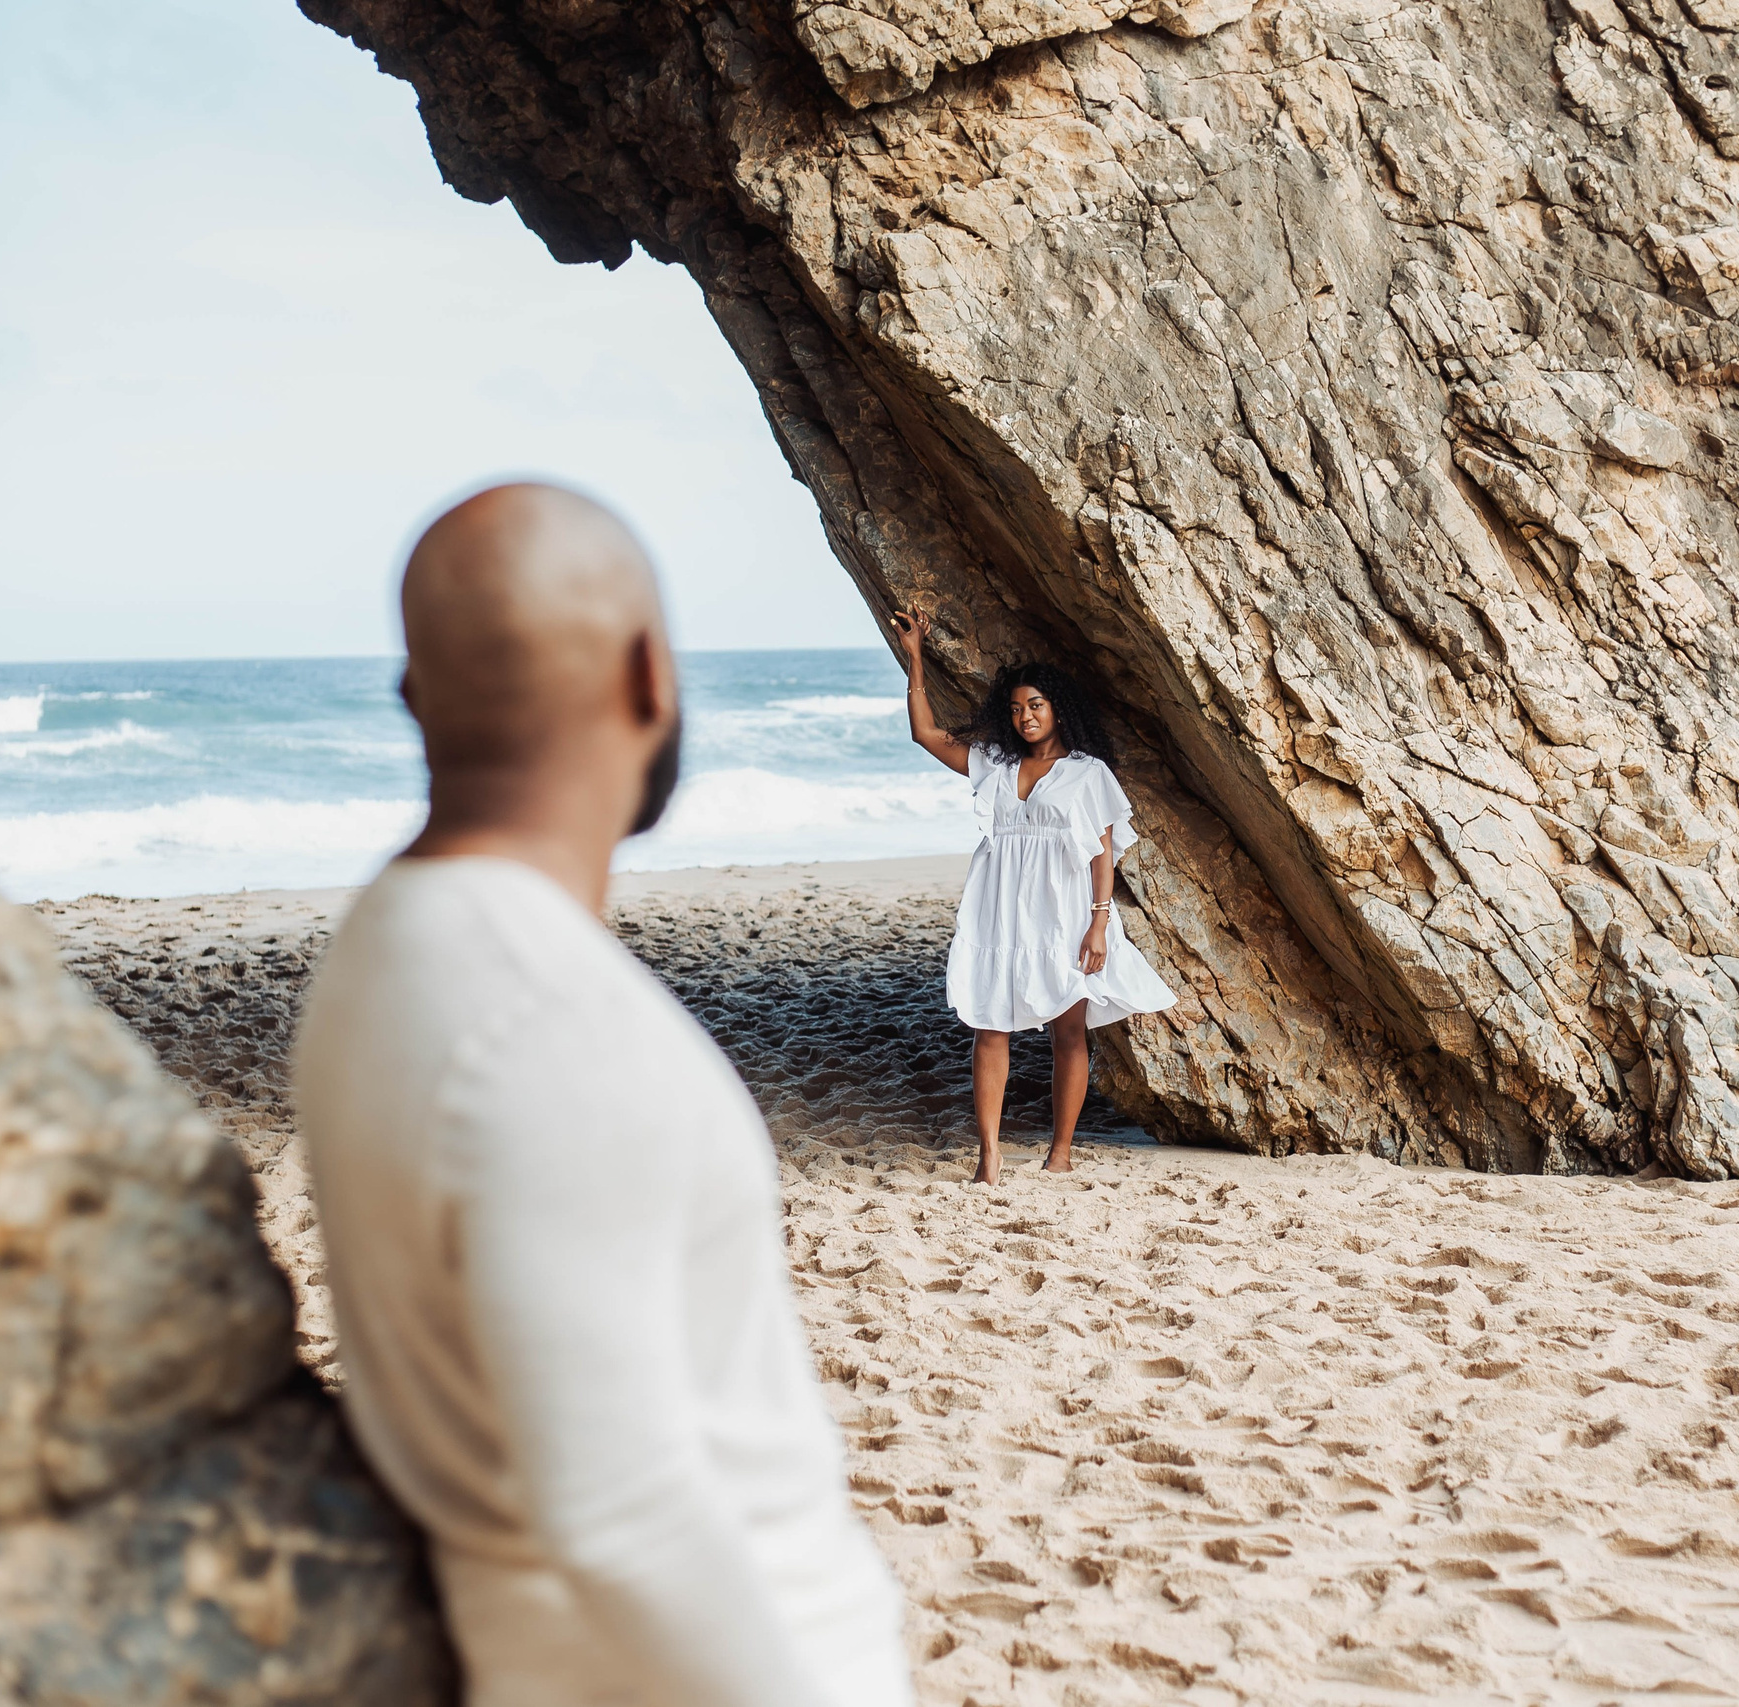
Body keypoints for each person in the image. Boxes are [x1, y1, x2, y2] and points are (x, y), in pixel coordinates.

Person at [292, 485, 910, 1707]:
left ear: (415, 699)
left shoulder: (376, 953)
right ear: (649, 672)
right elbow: (623, 1519)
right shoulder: (551, 1026)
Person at [893, 609, 1177, 1183]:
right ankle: (989, 1155)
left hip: (1065, 913)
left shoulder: (1087, 774)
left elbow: (1103, 854)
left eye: (1037, 707)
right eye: (1018, 708)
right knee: (987, 1025)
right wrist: (916, 658)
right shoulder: (994, 764)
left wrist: (1099, 923)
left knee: (1068, 1031)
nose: (1025, 717)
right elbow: (926, 734)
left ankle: (1061, 1152)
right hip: (1000, 911)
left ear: (1057, 711)